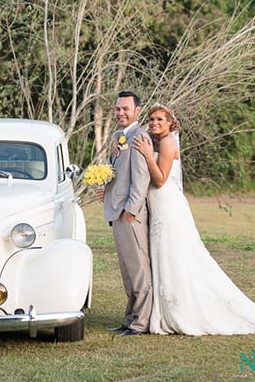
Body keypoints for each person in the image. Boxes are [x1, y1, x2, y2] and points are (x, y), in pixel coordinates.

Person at [132, 104, 255, 335]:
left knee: (177, 255)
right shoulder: (154, 141)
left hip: (168, 206)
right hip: (159, 207)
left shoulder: (167, 143)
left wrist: (146, 154)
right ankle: (169, 309)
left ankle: (184, 310)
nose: (154, 123)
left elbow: (161, 179)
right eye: (151, 119)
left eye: (160, 119)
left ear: (170, 123)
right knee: (168, 256)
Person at [98, 90, 153, 337]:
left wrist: (130, 212)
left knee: (138, 270)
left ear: (137, 111)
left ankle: (140, 323)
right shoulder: (119, 136)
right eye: (118, 109)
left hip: (129, 215)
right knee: (127, 270)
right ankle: (130, 319)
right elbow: (119, 173)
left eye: (125, 109)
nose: (120, 113)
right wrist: (105, 187)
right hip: (116, 211)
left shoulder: (141, 137)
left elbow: (141, 179)